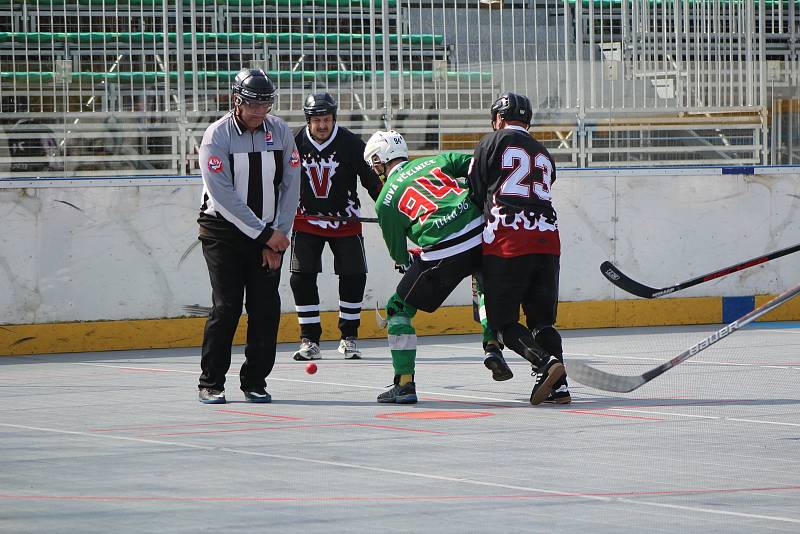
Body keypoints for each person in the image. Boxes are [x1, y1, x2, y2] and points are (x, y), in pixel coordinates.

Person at [364, 130, 512, 404]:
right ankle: (491, 344)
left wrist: (408, 258)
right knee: (482, 285)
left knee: (399, 308)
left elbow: (398, 252)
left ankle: (404, 383)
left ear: (378, 159)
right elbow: (475, 165)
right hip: (481, 233)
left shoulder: (385, 198)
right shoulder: (435, 160)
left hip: (443, 252)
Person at [196, 68, 301, 404]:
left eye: (265, 104)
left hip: (269, 233)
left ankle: (255, 381)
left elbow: (291, 186)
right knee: (226, 307)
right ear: (236, 101)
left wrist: (279, 235)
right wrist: (265, 236)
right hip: (223, 233)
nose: (259, 111)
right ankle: (211, 382)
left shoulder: (281, 131)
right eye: (253, 104)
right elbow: (223, 196)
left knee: (266, 308)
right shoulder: (217, 136)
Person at [467, 92, 570, 405]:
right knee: (542, 322)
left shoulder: (490, 142)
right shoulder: (544, 153)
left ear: (498, 119)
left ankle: (544, 363)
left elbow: (474, 193)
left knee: (500, 324)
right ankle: (560, 386)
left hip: (508, 243)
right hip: (548, 242)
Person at [290, 92, 383, 361]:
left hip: (345, 221)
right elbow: (276, 178)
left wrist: (387, 206)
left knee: (354, 275)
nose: (322, 125)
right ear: (308, 120)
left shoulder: (351, 143)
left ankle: (349, 337)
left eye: (327, 119)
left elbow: (372, 181)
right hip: (305, 220)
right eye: (317, 120)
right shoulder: (293, 141)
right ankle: (309, 339)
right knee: (302, 276)